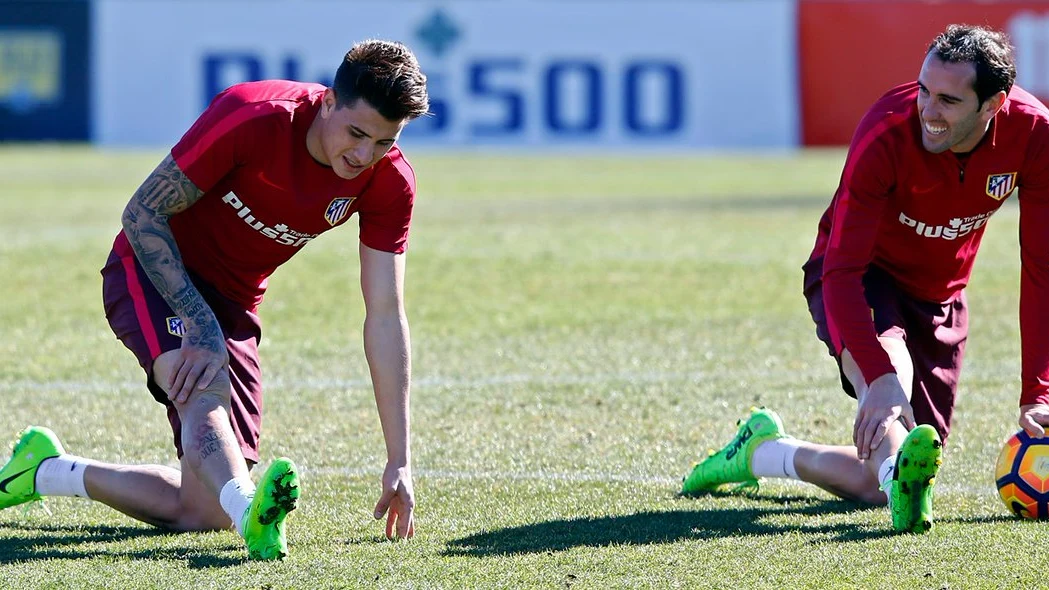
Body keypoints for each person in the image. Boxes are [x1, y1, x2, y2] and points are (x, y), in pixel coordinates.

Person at [0, 39, 429, 559]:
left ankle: (44, 470)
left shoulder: (389, 182)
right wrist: (199, 326)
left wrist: (399, 458)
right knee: (203, 386)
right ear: (329, 101)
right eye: (356, 134)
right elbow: (141, 214)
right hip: (154, 268)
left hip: (234, 304)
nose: (363, 156)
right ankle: (252, 513)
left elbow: (385, 314)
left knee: (202, 512)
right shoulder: (253, 115)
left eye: (382, 143)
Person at [681, 24, 1049, 533]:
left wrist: (1038, 391)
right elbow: (842, 269)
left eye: (947, 99)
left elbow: (1042, 270)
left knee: (877, 482)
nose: (928, 109)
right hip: (861, 277)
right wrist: (878, 376)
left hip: (940, 298)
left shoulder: (1034, 136)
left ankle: (761, 451)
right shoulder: (886, 131)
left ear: (993, 104)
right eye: (923, 90)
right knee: (889, 380)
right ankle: (895, 445)